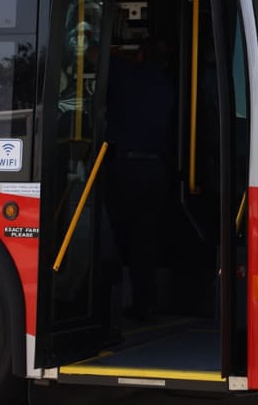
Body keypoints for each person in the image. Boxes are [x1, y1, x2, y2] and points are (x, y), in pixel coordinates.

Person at [105, 36, 175, 321]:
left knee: (113, 236)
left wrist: (117, 50)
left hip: (122, 167)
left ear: (141, 54)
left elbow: (95, 56)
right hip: (155, 170)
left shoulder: (124, 74)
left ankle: (107, 306)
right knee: (144, 241)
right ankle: (144, 303)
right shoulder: (169, 85)